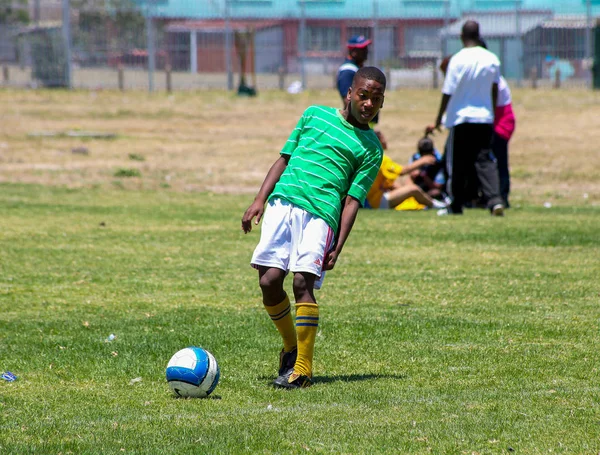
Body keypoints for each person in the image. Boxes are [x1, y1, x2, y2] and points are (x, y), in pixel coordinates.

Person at [241, 66, 386, 389]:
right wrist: (259, 200)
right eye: (363, 95)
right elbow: (284, 159)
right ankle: (291, 348)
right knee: (269, 280)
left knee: (303, 283)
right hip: (284, 202)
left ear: (381, 104)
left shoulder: (371, 148)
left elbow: (352, 200)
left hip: (322, 215)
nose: (367, 104)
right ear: (349, 93)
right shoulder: (313, 115)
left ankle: (303, 369)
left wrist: (340, 244)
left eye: (375, 100)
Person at [425, 20, 504, 216]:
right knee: (485, 160)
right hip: (484, 118)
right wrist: (491, 113)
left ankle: (455, 204)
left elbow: (448, 91)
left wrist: (438, 118)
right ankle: (495, 201)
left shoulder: (457, 60)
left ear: (462, 36)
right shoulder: (491, 58)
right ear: (479, 35)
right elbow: (495, 89)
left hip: (461, 118)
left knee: (456, 163)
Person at [337, 35, 387, 149]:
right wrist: (359, 130)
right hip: (357, 127)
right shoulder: (348, 71)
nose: (366, 51)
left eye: (366, 48)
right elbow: (347, 100)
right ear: (353, 51)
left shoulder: (357, 69)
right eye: (362, 49)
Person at [364, 150, 448, 211]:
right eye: (382, 138)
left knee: (407, 187)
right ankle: (434, 205)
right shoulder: (379, 157)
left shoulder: (370, 156)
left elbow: (390, 182)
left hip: (374, 200)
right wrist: (422, 161)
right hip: (376, 202)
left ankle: (429, 203)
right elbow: (402, 171)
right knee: (413, 189)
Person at [408, 136, 447, 201]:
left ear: (432, 152)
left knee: (435, 193)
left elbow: (438, 186)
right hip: (417, 189)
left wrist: (424, 175)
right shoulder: (415, 158)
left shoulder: (439, 163)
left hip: (431, 190)